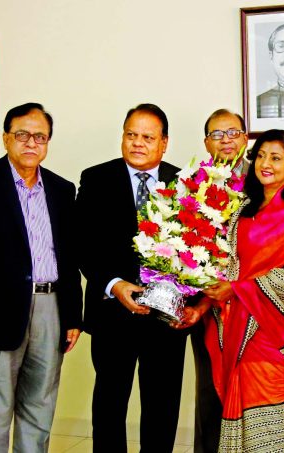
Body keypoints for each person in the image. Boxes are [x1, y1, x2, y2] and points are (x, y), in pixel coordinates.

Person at [0, 102, 82, 452]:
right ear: (6, 137)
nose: (30, 143)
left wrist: (71, 315)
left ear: (48, 142)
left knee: (40, 407)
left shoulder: (60, 188)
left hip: (50, 308)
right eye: (22, 134)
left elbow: (68, 257)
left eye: (39, 136)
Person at [201, 129, 284, 451]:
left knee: (276, 426)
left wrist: (236, 290)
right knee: (239, 405)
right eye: (262, 155)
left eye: (276, 157)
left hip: (278, 333)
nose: (266, 163)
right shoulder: (245, 206)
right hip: (238, 325)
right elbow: (229, 258)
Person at [76, 104, 184, 452]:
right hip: (112, 313)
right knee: (109, 403)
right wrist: (113, 283)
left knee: (162, 406)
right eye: (131, 135)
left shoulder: (183, 183)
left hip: (165, 318)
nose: (138, 143)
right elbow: (82, 243)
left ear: (164, 142)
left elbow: (196, 250)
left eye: (148, 137)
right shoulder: (96, 179)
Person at [190, 108, 249, 453]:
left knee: (251, 387)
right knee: (210, 387)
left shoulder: (264, 175)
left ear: (245, 137)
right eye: (217, 134)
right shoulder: (192, 184)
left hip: (253, 301)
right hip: (207, 302)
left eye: (233, 132)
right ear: (206, 142)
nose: (226, 140)